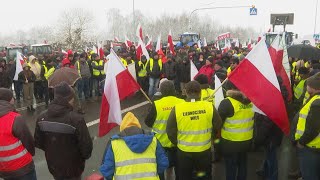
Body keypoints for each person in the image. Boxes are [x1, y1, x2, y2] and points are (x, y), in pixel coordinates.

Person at [34, 82, 93, 180]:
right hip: (74, 167)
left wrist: (54, 149)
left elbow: (39, 142)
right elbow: (86, 147)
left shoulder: (41, 117)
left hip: (54, 165)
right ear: (70, 99)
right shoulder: (76, 119)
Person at [167, 81, 222, 180]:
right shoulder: (209, 106)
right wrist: (210, 136)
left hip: (184, 151)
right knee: (204, 176)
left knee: (185, 176)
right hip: (204, 150)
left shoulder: (178, 108)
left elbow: (170, 131)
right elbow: (218, 125)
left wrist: (177, 143)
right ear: (200, 92)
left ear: (186, 92)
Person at [100, 112, 169, 180]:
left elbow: (107, 170)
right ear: (138, 126)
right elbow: (163, 164)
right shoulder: (153, 140)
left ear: (122, 129)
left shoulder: (114, 144)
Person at [145, 80, 184, 180]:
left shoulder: (157, 104)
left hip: (160, 143)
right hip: (178, 142)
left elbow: (148, 122)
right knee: (179, 169)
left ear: (161, 90)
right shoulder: (182, 102)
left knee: (160, 169)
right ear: (173, 89)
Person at [218, 81, 254, 180]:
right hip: (246, 140)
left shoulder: (227, 102)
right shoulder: (251, 101)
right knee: (243, 165)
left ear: (231, 89)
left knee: (231, 167)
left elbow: (218, 123)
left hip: (230, 142)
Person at [0, 88, 36, 180]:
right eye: (12, 97)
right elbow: (28, 140)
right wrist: (32, 153)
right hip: (22, 167)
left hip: (4, 169)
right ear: (8, 100)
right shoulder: (15, 118)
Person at [292, 73, 320, 180]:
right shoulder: (314, 99)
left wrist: (301, 142)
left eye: (308, 84)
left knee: (310, 176)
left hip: (311, 147)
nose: (306, 86)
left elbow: (313, 128)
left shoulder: (317, 103)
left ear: (314, 87)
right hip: (313, 146)